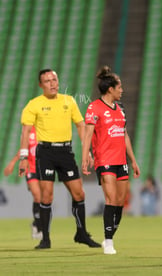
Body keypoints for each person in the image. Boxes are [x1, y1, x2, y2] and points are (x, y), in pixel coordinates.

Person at [18, 69, 100, 249]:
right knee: (46, 196)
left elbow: (80, 126)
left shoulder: (68, 101)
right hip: (45, 153)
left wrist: (87, 151)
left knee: (79, 193)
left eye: (54, 79)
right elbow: (25, 132)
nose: (52, 83)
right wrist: (24, 157)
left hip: (65, 152)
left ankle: (81, 233)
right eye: (47, 81)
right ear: (41, 85)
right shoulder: (34, 104)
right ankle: (45, 239)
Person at [82, 66, 140, 255]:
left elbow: (124, 135)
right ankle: (108, 241)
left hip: (121, 160)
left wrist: (133, 160)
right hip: (104, 160)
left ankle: (109, 234)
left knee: (120, 202)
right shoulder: (94, 107)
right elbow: (88, 133)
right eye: (119, 87)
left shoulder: (120, 108)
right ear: (110, 89)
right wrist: (85, 157)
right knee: (111, 199)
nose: (122, 90)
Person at [4, 126, 42, 239]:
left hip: (43, 167)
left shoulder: (46, 128)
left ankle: (36, 223)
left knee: (45, 198)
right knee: (37, 196)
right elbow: (23, 148)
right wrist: (12, 163)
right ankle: (39, 228)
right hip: (30, 168)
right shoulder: (28, 130)